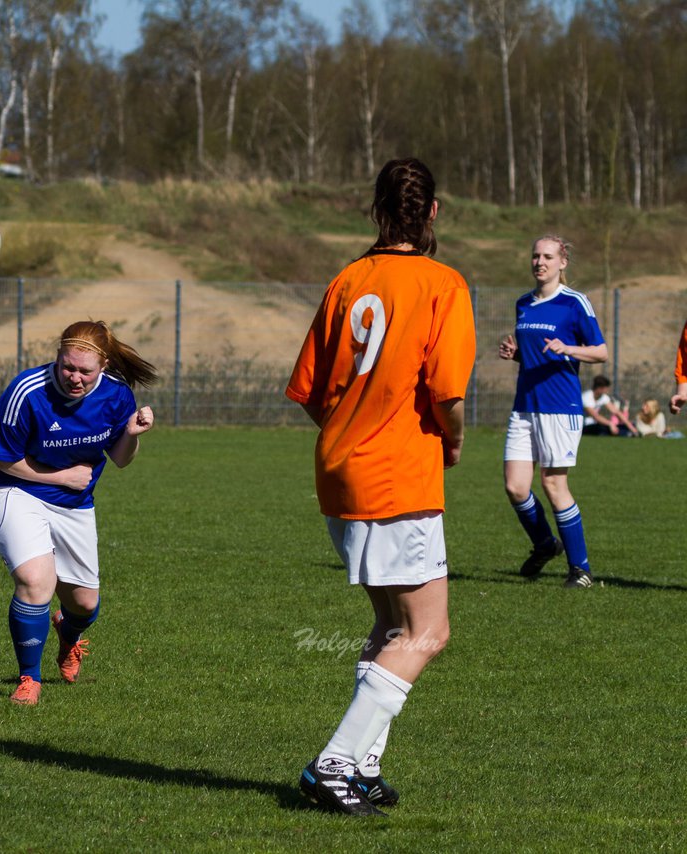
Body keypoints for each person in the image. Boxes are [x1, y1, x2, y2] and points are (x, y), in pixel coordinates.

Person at [285, 158, 476, 816]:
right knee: (429, 631)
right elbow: (448, 391)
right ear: (432, 214)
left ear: (376, 210)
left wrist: (352, 433)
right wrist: (450, 436)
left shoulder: (348, 281)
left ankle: (362, 767)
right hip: (399, 475)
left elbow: (309, 389)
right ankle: (333, 764)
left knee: (391, 622)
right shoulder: (441, 284)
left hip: (340, 472)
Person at [0, 320, 156, 707]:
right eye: (67, 367)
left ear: (103, 366)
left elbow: (121, 460)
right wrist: (64, 475)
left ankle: (68, 634)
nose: (75, 377)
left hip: (73, 505)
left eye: (84, 371)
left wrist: (132, 435)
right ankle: (29, 679)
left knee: (85, 605)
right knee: (35, 581)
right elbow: (7, 462)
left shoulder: (116, 396)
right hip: (13, 490)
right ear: (58, 357)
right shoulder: (26, 391)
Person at [498, 234, 607, 589]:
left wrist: (569, 348)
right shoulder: (523, 304)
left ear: (563, 263)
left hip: (560, 406)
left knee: (553, 483)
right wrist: (515, 353)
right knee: (515, 487)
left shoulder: (575, 303)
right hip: (524, 405)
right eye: (535, 256)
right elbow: (534, 355)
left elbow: (601, 352)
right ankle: (545, 544)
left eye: (547, 256)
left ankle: (581, 570)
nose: (539, 262)